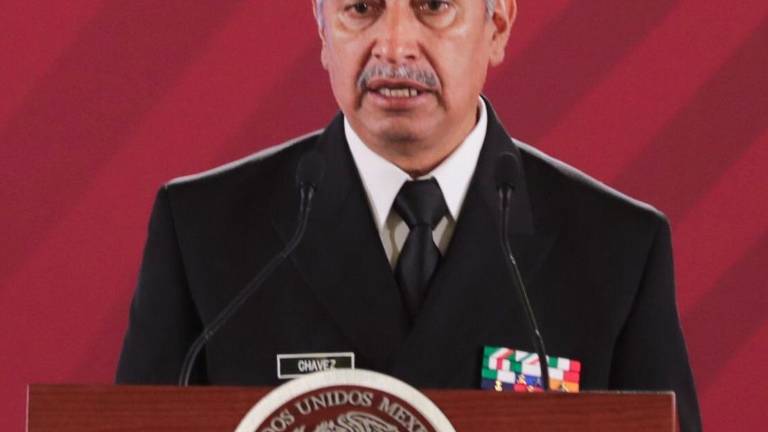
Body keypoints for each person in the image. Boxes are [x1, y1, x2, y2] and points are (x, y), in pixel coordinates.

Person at [116, 1, 701, 430]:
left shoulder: (616, 248)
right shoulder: (204, 231)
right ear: (322, 29)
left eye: (434, 6)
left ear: (497, 25)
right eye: (361, 8)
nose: (394, 47)